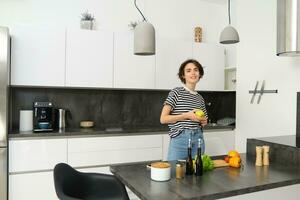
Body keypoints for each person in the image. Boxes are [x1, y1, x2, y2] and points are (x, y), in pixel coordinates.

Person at [160, 59, 208, 161]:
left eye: (196, 70)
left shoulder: (200, 98)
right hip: (180, 139)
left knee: (197, 172)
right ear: (183, 75)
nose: (193, 73)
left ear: (200, 74)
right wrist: (187, 115)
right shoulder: (176, 92)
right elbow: (163, 119)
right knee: (174, 172)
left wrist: (203, 121)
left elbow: (203, 121)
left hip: (198, 138)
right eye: (188, 70)